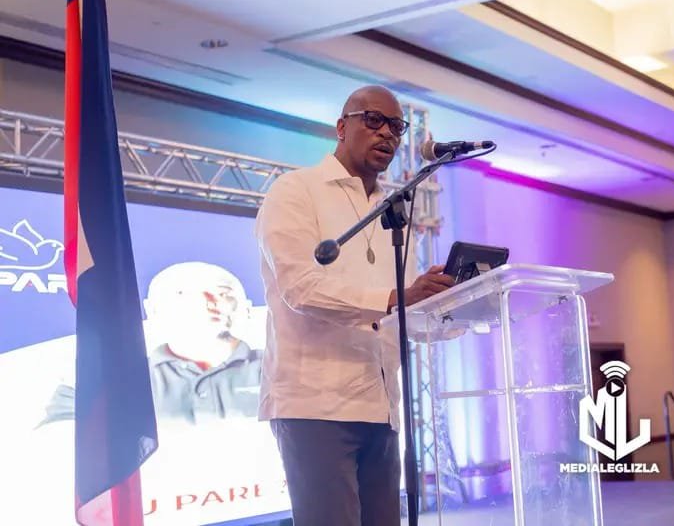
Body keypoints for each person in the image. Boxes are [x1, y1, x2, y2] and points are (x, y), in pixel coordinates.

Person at [255, 85, 455, 526]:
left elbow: (402, 314)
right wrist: (397, 297)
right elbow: (300, 288)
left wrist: (455, 307)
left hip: (381, 406)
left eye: (397, 127)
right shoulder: (295, 191)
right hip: (316, 405)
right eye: (374, 120)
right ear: (342, 127)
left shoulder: (392, 212)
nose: (388, 134)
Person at [38, 261, 264, 426]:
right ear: (152, 309)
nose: (207, 302)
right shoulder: (105, 377)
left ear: (247, 307)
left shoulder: (278, 371)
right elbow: (54, 440)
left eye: (222, 293)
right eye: (182, 292)